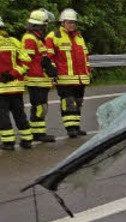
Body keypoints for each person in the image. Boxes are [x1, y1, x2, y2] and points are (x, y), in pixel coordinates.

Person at [47, 8, 90, 138]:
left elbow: (85, 57)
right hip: (64, 78)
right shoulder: (54, 36)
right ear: (62, 22)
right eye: (69, 22)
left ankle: (76, 126)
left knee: (78, 103)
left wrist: (88, 73)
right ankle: (70, 129)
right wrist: (52, 69)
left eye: (73, 22)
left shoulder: (79, 37)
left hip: (80, 78)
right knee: (69, 103)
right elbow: (49, 56)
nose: (72, 25)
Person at [21, 9, 56, 143]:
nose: (46, 28)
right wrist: (44, 64)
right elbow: (28, 59)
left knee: (42, 107)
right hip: (35, 79)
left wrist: (48, 66)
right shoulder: (30, 38)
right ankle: (37, 133)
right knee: (39, 107)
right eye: (45, 25)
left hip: (41, 78)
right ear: (39, 25)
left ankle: (39, 132)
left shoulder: (37, 38)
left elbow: (41, 57)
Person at [0, 16, 34, 150]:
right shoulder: (13, 41)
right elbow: (26, 61)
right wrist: (13, 74)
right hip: (16, 87)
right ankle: (27, 140)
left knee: (2, 116)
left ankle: (8, 143)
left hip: (1, 89)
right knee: (19, 113)